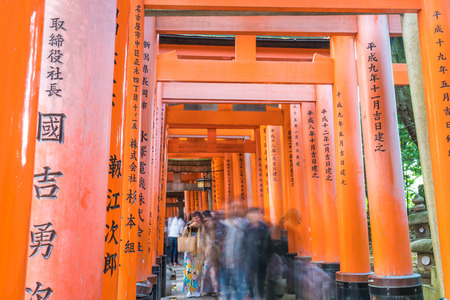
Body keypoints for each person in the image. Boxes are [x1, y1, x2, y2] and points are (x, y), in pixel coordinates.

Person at [201, 210, 226, 297]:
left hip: (217, 250)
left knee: (215, 270)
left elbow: (222, 237)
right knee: (209, 270)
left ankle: (216, 290)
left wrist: (213, 241)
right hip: (210, 251)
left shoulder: (220, 226)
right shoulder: (206, 226)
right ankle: (209, 290)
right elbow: (203, 237)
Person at [182, 211, 204, 298]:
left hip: (199, 251)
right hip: (189, 252)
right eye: (195, 217)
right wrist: (189, 227)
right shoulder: (187, 226)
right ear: (192, 218)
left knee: (198, 271)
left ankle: (197, 290)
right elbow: (183, 238)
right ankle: (189, 291)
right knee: (188, 271)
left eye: (198, 217)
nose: (196, 219)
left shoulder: (202, 227)